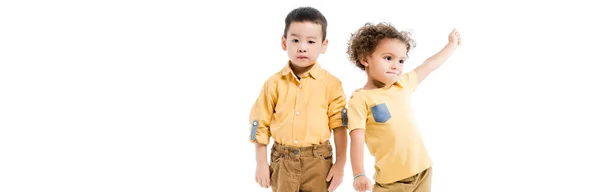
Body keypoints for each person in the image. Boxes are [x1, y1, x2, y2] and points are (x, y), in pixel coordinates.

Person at [346, 22, 462, 192]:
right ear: (365, 59)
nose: (396, 66)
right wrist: (358, 174)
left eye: (401, 60)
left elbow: (430, 65)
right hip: (391, 182)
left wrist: (451, 45)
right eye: (388, 58)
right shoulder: (360, 99)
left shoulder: (402, 84)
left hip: (422, 170)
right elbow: (356, 139)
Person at [248, 6, 348, 192]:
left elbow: (339, 126)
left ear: (323, 45)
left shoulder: (332, 84)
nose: (302, 47)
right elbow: (260, 124)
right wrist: (261, 163)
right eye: (295, 40)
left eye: (311, 41)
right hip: (282, 161)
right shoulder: (273, 84)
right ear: (284, 43)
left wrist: (340, 164)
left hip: (319, 161)